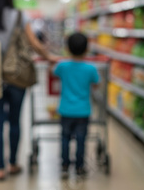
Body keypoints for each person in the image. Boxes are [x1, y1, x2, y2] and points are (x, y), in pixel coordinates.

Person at [0, 0, 57, 181]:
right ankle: (13, 163)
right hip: (17, 77)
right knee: (15, 121)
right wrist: (50, 57)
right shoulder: (21, 16)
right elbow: (35, 44)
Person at [53, 33, 100, 179]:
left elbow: (52, 72)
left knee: (65, 138)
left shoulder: (63, 66)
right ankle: (80, 167)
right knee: (81, 139)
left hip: (66, 110)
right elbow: (97, 84)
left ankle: (65, 165)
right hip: (83, 111)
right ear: (87, 49)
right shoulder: (90, 69)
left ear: (67, 49)